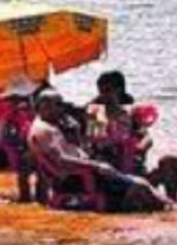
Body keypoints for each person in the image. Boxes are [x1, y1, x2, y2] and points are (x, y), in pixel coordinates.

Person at [28, 90, 165, 213]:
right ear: (44, 106)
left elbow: (144, 138)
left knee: (144, 182)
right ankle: (169, 210)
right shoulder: (45, 129)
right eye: (58, 105)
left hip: (88, 170)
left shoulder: (50, 125)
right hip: (82, 176)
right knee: (140, 186)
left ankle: (168, 206)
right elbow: (62, 159)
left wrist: (76, 133)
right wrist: (97, 165)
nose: (62, 109)